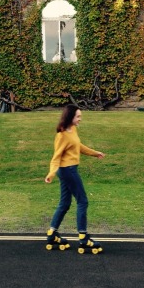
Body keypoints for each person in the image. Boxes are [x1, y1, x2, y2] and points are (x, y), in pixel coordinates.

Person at [44, 104, 105, 254]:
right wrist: (51, 173)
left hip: (69, 170)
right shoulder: (62, 135)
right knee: (82, 201)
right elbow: (55, 158)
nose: (80, 119)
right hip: (67, 171)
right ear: (70, 117)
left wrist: (94, 153)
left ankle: (52, 233)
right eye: (78, 116)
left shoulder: (73, 130)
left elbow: (78, 146)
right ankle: (83, 237)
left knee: (65, 203)